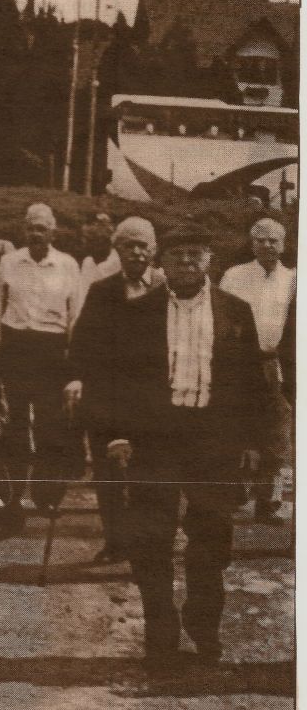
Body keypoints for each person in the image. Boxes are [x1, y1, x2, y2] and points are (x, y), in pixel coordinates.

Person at [104, 220, 266, 672]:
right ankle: (160, 629)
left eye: (196, 253)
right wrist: (119, 434)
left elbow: (254, 384)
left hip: (214, 440)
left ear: (210, 260)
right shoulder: (138, 314)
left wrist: (253, 441)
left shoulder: (236, 312)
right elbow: (118, 382)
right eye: (177, 255)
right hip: (155, 440)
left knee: (211, 540)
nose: (187, 262)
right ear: (162, 262)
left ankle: (204, 626)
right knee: (150, 538)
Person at [65, 217, 163, 564]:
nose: (136, 252)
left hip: (152, 400)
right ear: (118, 250)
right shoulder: (102, 290)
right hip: (106, 398)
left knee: (146, 474)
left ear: (154, 250)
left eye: (143, 245)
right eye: (128, 245)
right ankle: (116, 542)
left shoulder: (167, 289)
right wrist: (76, 378)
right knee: (107, 477)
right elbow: (80, 343)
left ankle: (147, 543)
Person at [0, 203, 82, 527]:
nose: (36, 233)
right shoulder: (8, 262)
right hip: (16, 346)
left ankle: (46, 497)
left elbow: (75, 314)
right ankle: (11, 496)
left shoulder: (68, 265)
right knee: (13, 424)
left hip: (51, 349)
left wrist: (72, 362)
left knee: (50, 426)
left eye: (42, 228)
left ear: (53, 231)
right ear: (24, 229)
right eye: (31, 227)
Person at [219, 218, 296, 525]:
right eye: (260, 240)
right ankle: (233, 493)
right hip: (237, 364)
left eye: (273, 240)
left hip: (273, 364)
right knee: (233, 429)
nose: (267, 245)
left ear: (284, 244)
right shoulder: (234, 276)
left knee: (276, 434)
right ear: (251, 244)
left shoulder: (293, 280)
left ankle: (269, 501)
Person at [79, 210, 120, 291]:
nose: (84, 243)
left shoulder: (119, 265)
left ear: (106, 240)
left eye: (90, 239)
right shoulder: (87, 262)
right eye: (84, 238)